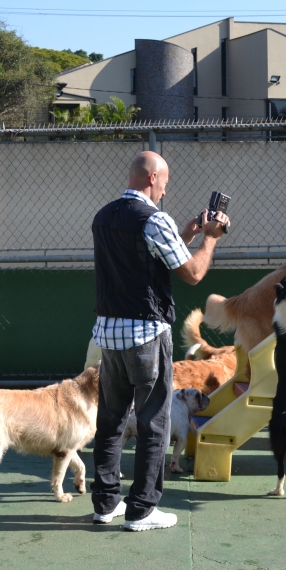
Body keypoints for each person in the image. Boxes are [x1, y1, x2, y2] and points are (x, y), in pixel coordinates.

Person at [90, 151, 230, 531]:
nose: (167, 188)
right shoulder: (154, 219)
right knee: (153, 422)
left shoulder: (103, 217)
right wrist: (211, 240)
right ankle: (142, 510)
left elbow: (146, 260)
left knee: (111, 420)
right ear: (152, 178)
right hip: (146, 335)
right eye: (165, 180)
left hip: (108, 334)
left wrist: (186, 233)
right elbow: (192, 273)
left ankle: (106, 503)